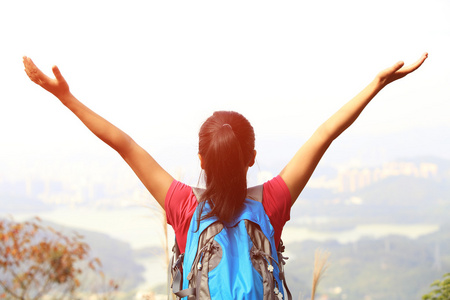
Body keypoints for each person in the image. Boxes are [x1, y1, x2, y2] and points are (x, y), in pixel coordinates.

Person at [23, 53, 428, 293]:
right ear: (251, 157)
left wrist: (66, 97)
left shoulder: (184, 207)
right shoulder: (271, 202)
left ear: (201, 159)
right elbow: (325, 134)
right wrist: (375, 86)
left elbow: (123, 143)